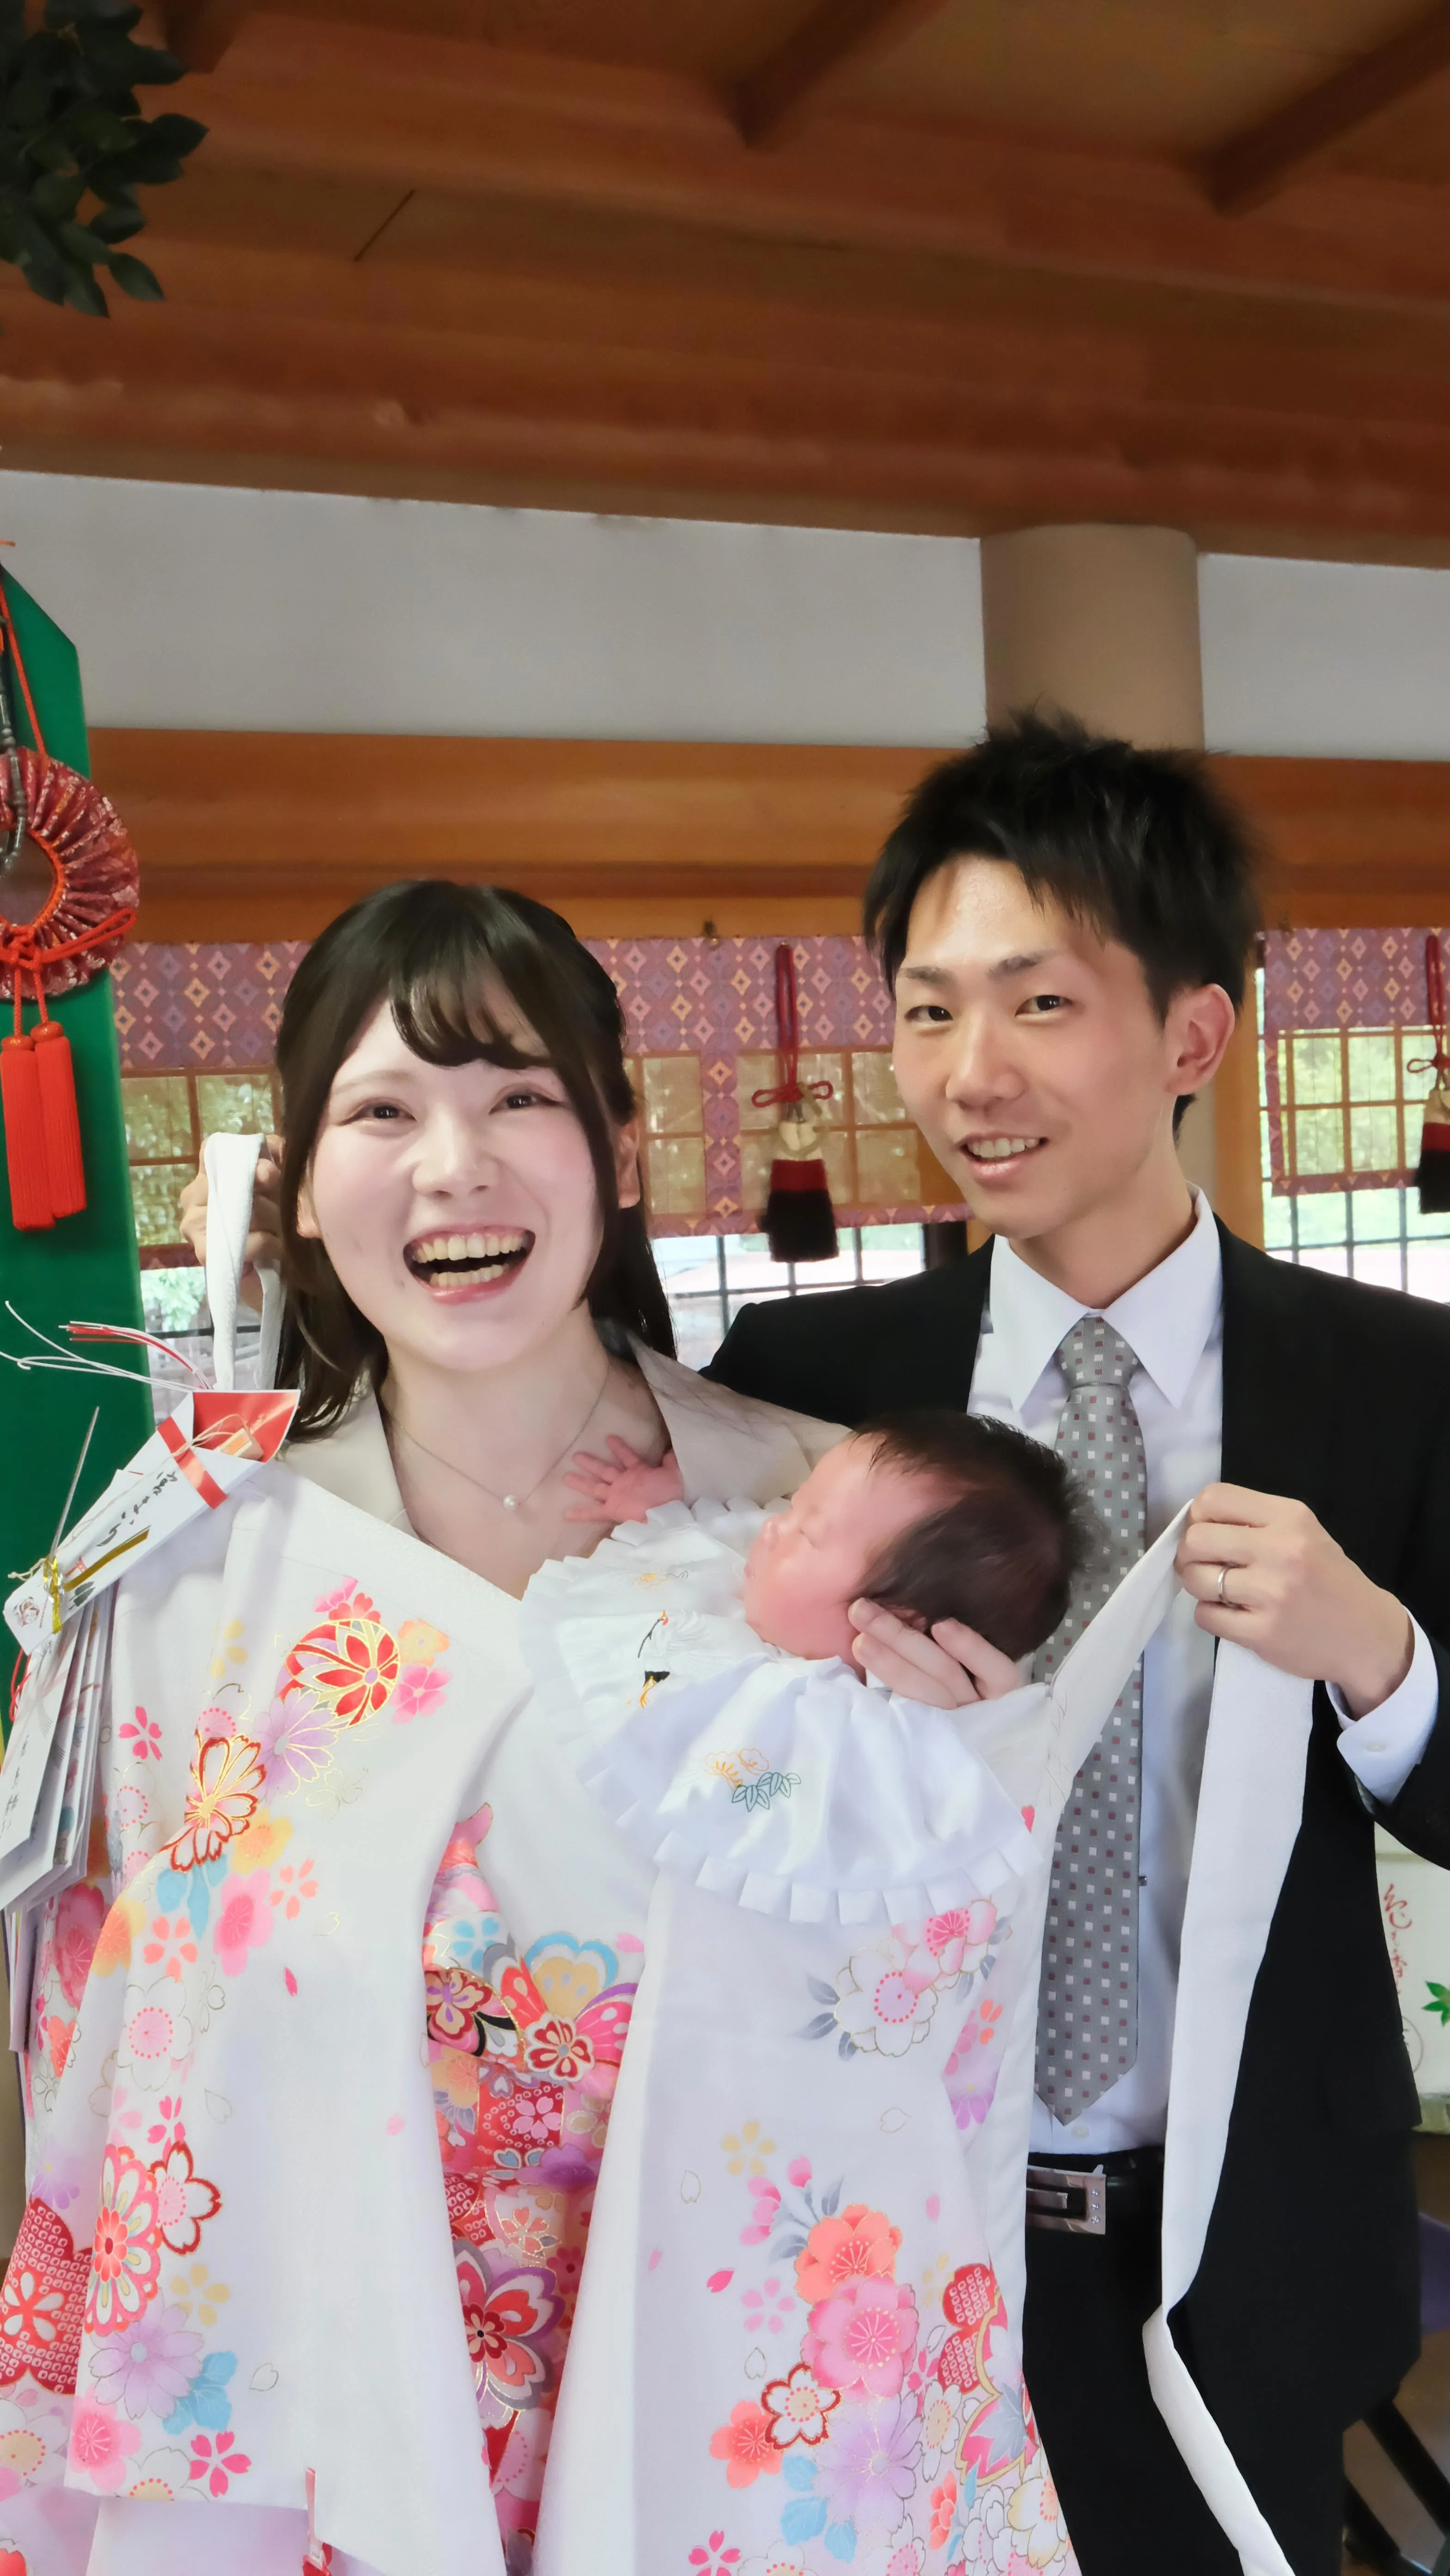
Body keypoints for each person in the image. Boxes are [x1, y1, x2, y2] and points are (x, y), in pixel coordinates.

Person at [6, 878, 987, 2576]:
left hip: (744, 2407)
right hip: (336, 2428)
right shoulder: (186, 1584)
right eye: (381, 1110)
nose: (451, 1163)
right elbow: (109, 2075)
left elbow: (948, 2000)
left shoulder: (818, 1514)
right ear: (302, 1189)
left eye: (515, 1095)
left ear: (618, 1144)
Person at [704, 711, 1450, 2576]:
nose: (967, 1073)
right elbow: (660, 1739)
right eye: (927, 1008)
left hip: (1247, 2239)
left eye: (1035, 1004)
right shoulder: (802, 1388)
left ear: (1191, 1034)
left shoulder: (1397, 1382)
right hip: (882, 2221)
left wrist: (1378, 1654)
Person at [564, 1407, 1084, 1663]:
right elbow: (722, 1533)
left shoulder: (846, 1729)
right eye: (794, 1506)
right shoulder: (763, 1563)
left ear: (891, 1627)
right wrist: (663, 1507)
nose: (772, 1527)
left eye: (808, 1534)